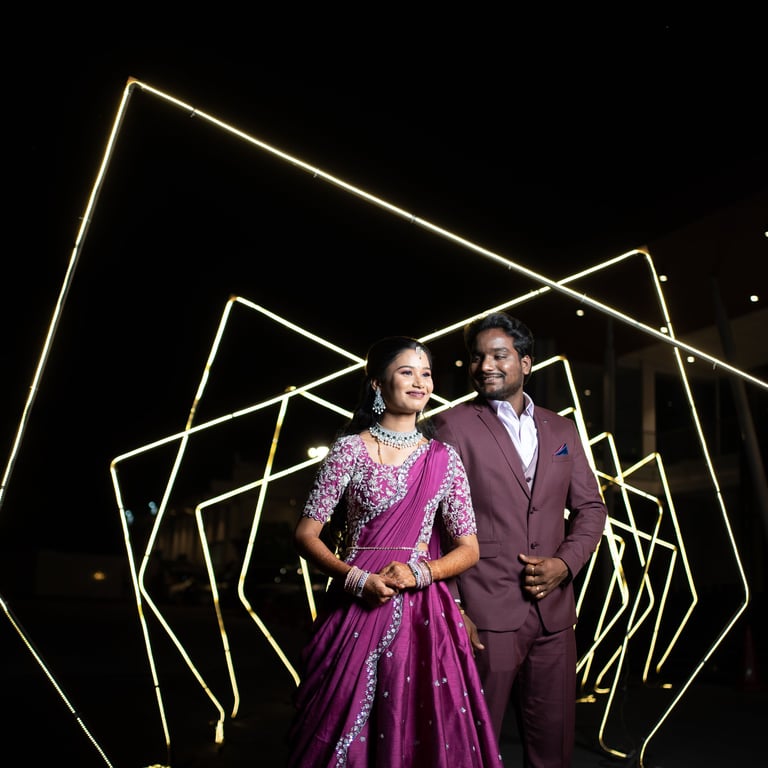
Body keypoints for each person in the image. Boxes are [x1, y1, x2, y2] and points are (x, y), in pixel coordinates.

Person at [286, 336, 503, 767]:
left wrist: (420, 573)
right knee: (334, 724)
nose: (420, 382)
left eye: (426, 374)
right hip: (355, 603)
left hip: (423, 612)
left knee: (418, 724)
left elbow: (469, 548)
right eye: (407, 372)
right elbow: (306, 534)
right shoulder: (349, 449)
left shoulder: (444, 458)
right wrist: (355, 578)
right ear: (377, 383)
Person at [431, 312, 607, 768]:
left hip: (554, 616)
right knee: (472, 745)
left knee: (554, 747)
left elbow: (591, 508)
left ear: (526, 363)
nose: (485, 365)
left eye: (499, 355)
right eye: (477, 357)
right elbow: (434, 525)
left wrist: (565, 564)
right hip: (484, 612)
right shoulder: (451, 426)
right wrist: (455, 607)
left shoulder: (561, 429)